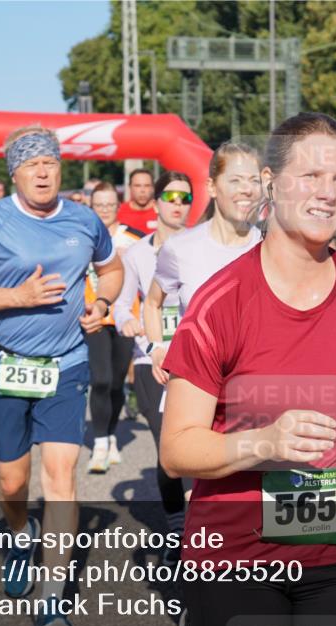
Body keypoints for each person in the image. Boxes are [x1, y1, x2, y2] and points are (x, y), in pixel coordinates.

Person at [160, 112, 336, 626]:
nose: (327, 193)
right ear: (272, 184)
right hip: (237, 550)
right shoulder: (220, 302)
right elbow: (177, 445)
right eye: (311, 176)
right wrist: (264, 443)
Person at [0, 125, 123, 626]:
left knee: (61, 474)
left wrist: (102, 303)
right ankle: (21, 533)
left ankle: (52, 598)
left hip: (65, 364)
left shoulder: (83, 219)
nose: (43, 171)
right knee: (11, 482)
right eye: (31, 164)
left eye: (50, 162)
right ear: (14, 172)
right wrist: (16, 298)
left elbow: (111, 271)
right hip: (4, 364)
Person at [112, 172, 190, 559]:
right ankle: (178, 526)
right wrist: (128, 322)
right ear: (156, 203)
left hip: (199, 362)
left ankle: (210, 527)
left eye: (186, 198)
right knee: (170, 449)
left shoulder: (203, 247)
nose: (178, 204)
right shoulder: (138, 253)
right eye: (171, 196)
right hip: (152, 362)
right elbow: (123, 303)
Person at [145, 142, 263, 385]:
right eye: (236, 180)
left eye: (254, 180)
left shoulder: (272, 247)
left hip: (252, 388)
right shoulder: (179, 248)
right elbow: (152, 303)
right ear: (211, 187)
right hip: (193, 385)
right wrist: (156, 348)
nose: (247, 189)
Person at [84, 181, 143, 471]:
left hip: (124, 320)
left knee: (117, 382)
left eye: (109, 204)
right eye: (99, 205)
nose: (104, 210)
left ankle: (110, 436)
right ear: (90, 207)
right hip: (92, 319)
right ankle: (98, 443)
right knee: (101, 379)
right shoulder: (81, 236)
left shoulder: (135, 238)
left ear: (117, 206)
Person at [117, 168, 158, 235]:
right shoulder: (119, 212)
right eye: (137, 186)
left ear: (153, 188)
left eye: (147, 186)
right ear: (130, 187)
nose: (142, 190)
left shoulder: (162, 212)